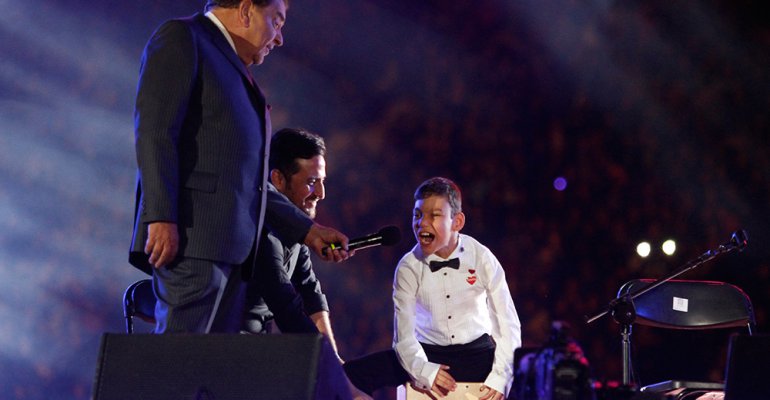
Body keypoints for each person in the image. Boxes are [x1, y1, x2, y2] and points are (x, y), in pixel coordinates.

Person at [129, 0, 350, 334]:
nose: (279, 38)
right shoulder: (183, 38)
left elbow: (252, 182)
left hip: (233, 255)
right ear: (247, 10)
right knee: (177, 365)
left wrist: (308, 230)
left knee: (211, 375)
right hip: (193, 243)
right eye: (276, 21)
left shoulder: (233, 68)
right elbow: (155, 132)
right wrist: (161, 216)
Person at [343, 177, 521, 400]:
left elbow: (507, 325)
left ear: (457, 222)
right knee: (349, 375)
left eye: (434, 215)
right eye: (417, 215)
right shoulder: (408, 266)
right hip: (427, 352)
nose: (422, 223)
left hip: (477, 354)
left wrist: (500, 378)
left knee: (524, 379)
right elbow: (404, 338)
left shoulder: (481, 257)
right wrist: (425, 371)